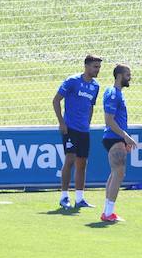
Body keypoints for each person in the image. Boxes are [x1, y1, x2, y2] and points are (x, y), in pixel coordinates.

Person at [52, 55, 101, 209]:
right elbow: (56, 100)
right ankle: (64, 196)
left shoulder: (95, 86)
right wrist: (61, 123)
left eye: (99, 67)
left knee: (82, 163)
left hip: (83, 130)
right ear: (86, 66)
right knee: (70, 160)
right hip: (70, 128)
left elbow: (91, 106)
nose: (97, 70)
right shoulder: (72, 81)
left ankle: (79, 198)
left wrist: (88, 123)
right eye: (95, 66)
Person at [99, 64, 137, 224]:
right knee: (119, 173)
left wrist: (124, 138)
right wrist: (125, 137)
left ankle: (107, 211)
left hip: (116, 138)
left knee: (116, 173)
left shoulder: (116, 93)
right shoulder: (113, 94)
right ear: (120, 76)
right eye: (128, 74)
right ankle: (108, 213)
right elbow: (109, 120)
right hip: (114, 137)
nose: (130, 77)